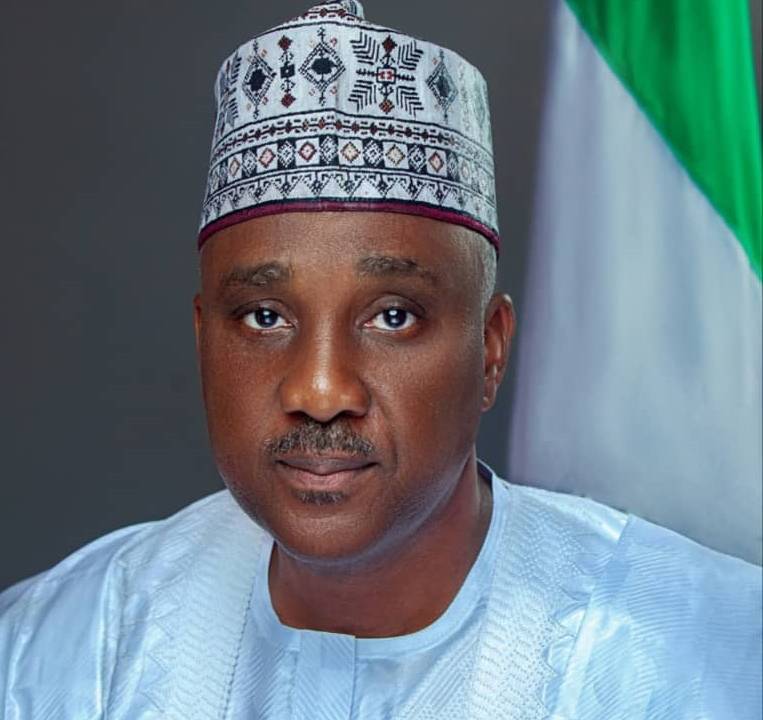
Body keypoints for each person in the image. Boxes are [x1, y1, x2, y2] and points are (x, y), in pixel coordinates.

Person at [0, 1, 760, 718]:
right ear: (204, 340)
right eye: (265, 317)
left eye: (393, 316)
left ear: (490, 350)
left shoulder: (700, 660)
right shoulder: (62, 648)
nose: (319, 389)